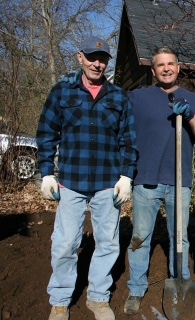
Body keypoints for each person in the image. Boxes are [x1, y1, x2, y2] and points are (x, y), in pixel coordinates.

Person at [36, 35, 139, 320]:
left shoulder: (118, 96)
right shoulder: (62, 93)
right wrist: (46, 172)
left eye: (103, 58)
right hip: (71, 181)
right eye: (92, 57)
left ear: (107, 61)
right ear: (80, 57)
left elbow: (128, 141)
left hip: (108, 184)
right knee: (66, 243)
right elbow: (46, 134)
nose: (97, 63)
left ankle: (98, 297)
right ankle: (59, 300)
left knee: (107, 243)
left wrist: (126, 176)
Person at [123, 46, 195, 315]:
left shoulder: (192, 99)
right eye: (160, 65)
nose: (166, 68)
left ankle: (180, 280)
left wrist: (189, 116)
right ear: (153, 70)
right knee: (140, 237)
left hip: (179, 181)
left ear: (178, 66)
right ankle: (136, 289)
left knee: (180, 237)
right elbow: (111, 110)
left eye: (170, 63)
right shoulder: (137, 98)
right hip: (145, 178)